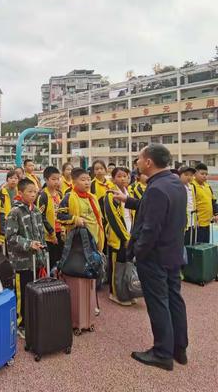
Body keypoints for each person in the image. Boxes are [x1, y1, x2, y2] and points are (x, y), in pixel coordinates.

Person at [113, 144, 188, 371]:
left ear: (148, 162)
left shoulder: (156, 188)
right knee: (175, 299)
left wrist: (137, 252)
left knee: (158, 302)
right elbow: (156, 209)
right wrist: (129, 201)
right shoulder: (174, 183)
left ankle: (162, 352)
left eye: (138, 158)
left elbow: (150, 228)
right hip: (173, 252)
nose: (136, 163)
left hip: (155, 256)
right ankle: (179, 349)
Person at [6, 178, 46, 338]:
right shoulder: (15, 212)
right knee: (21, 293)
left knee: (32, 291)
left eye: (35, 192)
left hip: (35, 260)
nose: (33, 195)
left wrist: (41, 249)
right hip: (21, 262)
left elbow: (40, 233)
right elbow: (11, 237)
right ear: (20, 193)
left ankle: (30, 319)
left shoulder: (36, 211)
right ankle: (20, 323)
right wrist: (28, 244)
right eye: (29, 192)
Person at [104, 167, 133, 306]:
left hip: (130, 233)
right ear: (113, 178)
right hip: (118, 236)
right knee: (117, 265)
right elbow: (113, 218)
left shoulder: (129, 192)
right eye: (120, 176)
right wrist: (124, 237)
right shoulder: (111, 194)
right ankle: (115, 293)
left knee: (127, 264)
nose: (123, 179)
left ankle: (127, 291)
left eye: (125, 176)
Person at [58, 168, 105, 253]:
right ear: (74, 182)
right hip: (78, 241)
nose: (87, 182)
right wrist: (75, 219)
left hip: (95, 239)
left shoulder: (93, 197)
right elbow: (59, 216)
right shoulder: (69, 197)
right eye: (83, 180)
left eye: (89, 179)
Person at [37, 166, 63, 268]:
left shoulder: (59, 194)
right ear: (46, 180)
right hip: (49, 235)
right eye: (53, 179)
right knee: (51, 260)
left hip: (60, 231)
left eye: (58, 179)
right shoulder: (43, 196)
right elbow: (41, 217)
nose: (56, 182)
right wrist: (51, 233)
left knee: (60, 259)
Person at [192, 163, 218, 243]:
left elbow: (213, 201)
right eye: (202, 174)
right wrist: (194, 220)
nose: (204, 176)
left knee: (206, 246)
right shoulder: (192, 186)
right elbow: (191, 204)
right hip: (197, 224)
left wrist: (216, 214)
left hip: (207, 222)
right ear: (195, 174)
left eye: (206, 174)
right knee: (198, 247)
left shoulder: (207, 186)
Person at [178, 166, 197, 246]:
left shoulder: (192, 187)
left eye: (191, 175)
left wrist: (196, 219)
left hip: (192, 221)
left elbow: (193, 203)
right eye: (186, 174)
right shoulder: (177, 187)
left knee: (191, 243)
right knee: (183, 244)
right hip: (182, 223)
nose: (189, 177)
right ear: (179, 175)